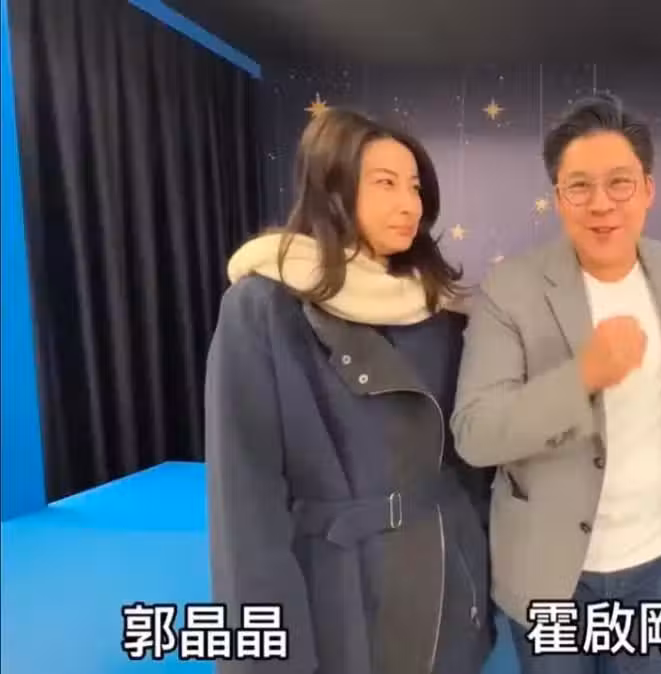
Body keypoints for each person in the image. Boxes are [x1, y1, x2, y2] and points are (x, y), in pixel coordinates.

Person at [205, 108, 494, 674]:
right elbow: (245, 505)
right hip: (339, 592)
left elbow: (470, 465)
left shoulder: (439, 305)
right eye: (385, 183)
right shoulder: (264, 305)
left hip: (447, 578)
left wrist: (477, 571)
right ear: (332, 187)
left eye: (415, 187)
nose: (409, 204)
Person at [449, 94, 661, 674]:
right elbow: (475, 432)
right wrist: (583, 376)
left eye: (620, 182)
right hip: (549, 573)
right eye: (579, 187)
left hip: (657, 564)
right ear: (557, 197)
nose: (601, 204)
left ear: (648, 189)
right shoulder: (510, 290)